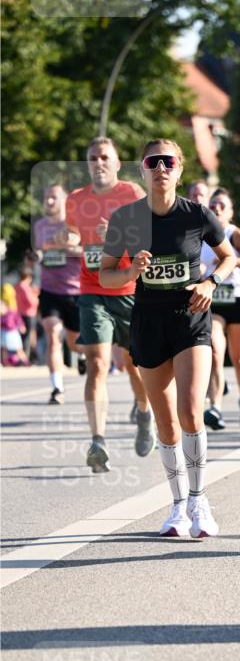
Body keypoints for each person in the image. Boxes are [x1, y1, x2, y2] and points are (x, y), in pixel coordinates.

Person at [99, 138, 236, 536]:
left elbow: (228, 257)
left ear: (179, 169)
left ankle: (199, 500)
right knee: (166, 422)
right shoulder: (126, 218)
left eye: (168, 162)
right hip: (148, 321)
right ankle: (177, 507)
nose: (161, 167)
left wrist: (210, 283)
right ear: (142, 170)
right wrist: (130, 272)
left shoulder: (197, 214)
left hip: (190, 318)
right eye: (152, 161)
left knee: (191, 410)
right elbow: (106, 274)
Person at [64, 136, 155, 472]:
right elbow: (74, 234)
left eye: (104, 157)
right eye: (93, 158)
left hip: (130, 290)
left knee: (134, 365)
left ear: (116, 163)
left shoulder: (132, 194)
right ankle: (98, 441)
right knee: (97, 363)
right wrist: (70, 238)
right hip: (92, 289)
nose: (98, 163)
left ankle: (144, 412)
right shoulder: (75, 199)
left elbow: (149, 238)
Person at [202, 188, 240, 431]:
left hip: (238, 300)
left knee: (239, 358)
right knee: (215, 352)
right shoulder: (200, 236)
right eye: (213, 206)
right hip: (214, 301)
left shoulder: (235, 234)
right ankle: (215, 407)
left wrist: (231, 260)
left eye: (222, 206)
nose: (217, 209)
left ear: (230, 212)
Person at [33, 182, 85, 403]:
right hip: (49, 290)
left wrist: (68, 248)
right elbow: (39, 251)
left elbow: (88, 252)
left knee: (75, 343)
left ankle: (81, 355)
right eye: (47, 197)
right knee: (53, 334)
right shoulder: (40, 226)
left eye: (54, 197)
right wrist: (36, 256)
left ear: (65, 201)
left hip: (75, 291)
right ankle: (57, 388)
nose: (49, 201)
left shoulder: (75, 224)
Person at [14, 265, 39, 361]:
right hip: (28, 314)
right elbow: (32, 302)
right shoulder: (25, 287)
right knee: (27, 337)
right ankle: (25, 357)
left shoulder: (16, 286)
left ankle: (23, 356)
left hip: (19, 313)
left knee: (22, 336)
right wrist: (36, 295)